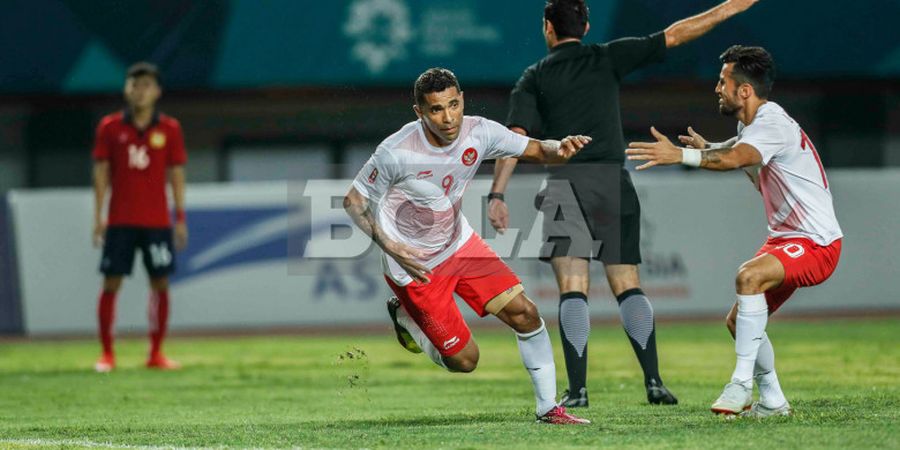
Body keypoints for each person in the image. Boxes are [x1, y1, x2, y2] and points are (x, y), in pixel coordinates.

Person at [488, 0, 760, 407]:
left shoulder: (533, 77)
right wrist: (727, 9)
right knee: (628, 285)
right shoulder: (606, 57)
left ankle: (577, 391)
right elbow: (676, 33)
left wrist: (497, 194)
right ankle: (653, 382)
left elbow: (514, 138)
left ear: (548, 27)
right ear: (587, 25)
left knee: (572, 289)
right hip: (612, 182)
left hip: (565, 182)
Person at [343, 68, 593, 424]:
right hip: (415, 265)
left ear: (462, 99)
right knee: (465, 361)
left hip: (460, 244)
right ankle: (406, 317)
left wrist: (561, 147)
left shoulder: (480, 131)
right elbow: (353, 201)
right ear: (419, 112)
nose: (448, 118)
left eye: (454, 104)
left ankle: (548, 408)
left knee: (525, 313)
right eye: (435, 109)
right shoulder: (396, 151)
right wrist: (390, 245)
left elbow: (538, 149)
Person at [625, 45, 843, 417]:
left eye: (723, 81)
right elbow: (733, 148)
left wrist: (682, 157)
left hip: (816, 243)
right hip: (789, 239)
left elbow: (737, 158)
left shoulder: (770, 124)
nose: (716, 88)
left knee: (748, 277)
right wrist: (707, 148)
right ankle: (773, 401)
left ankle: (740, 385)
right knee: (737, 319)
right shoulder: (754, 125)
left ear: (744, 90)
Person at [92, 62, 188, 372]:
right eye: (134, 84)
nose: (140, 90)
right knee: (111, 283)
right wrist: (98, 216)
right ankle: (107, 354)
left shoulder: (170, 128)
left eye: (146, 85)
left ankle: (156, 353)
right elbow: (101, 172)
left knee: (160, 283)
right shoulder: (109, 127)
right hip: (120, 220)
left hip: (157, 221)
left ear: (157, 91)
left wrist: (181, 217)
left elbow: (176, 175)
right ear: (126, 89)